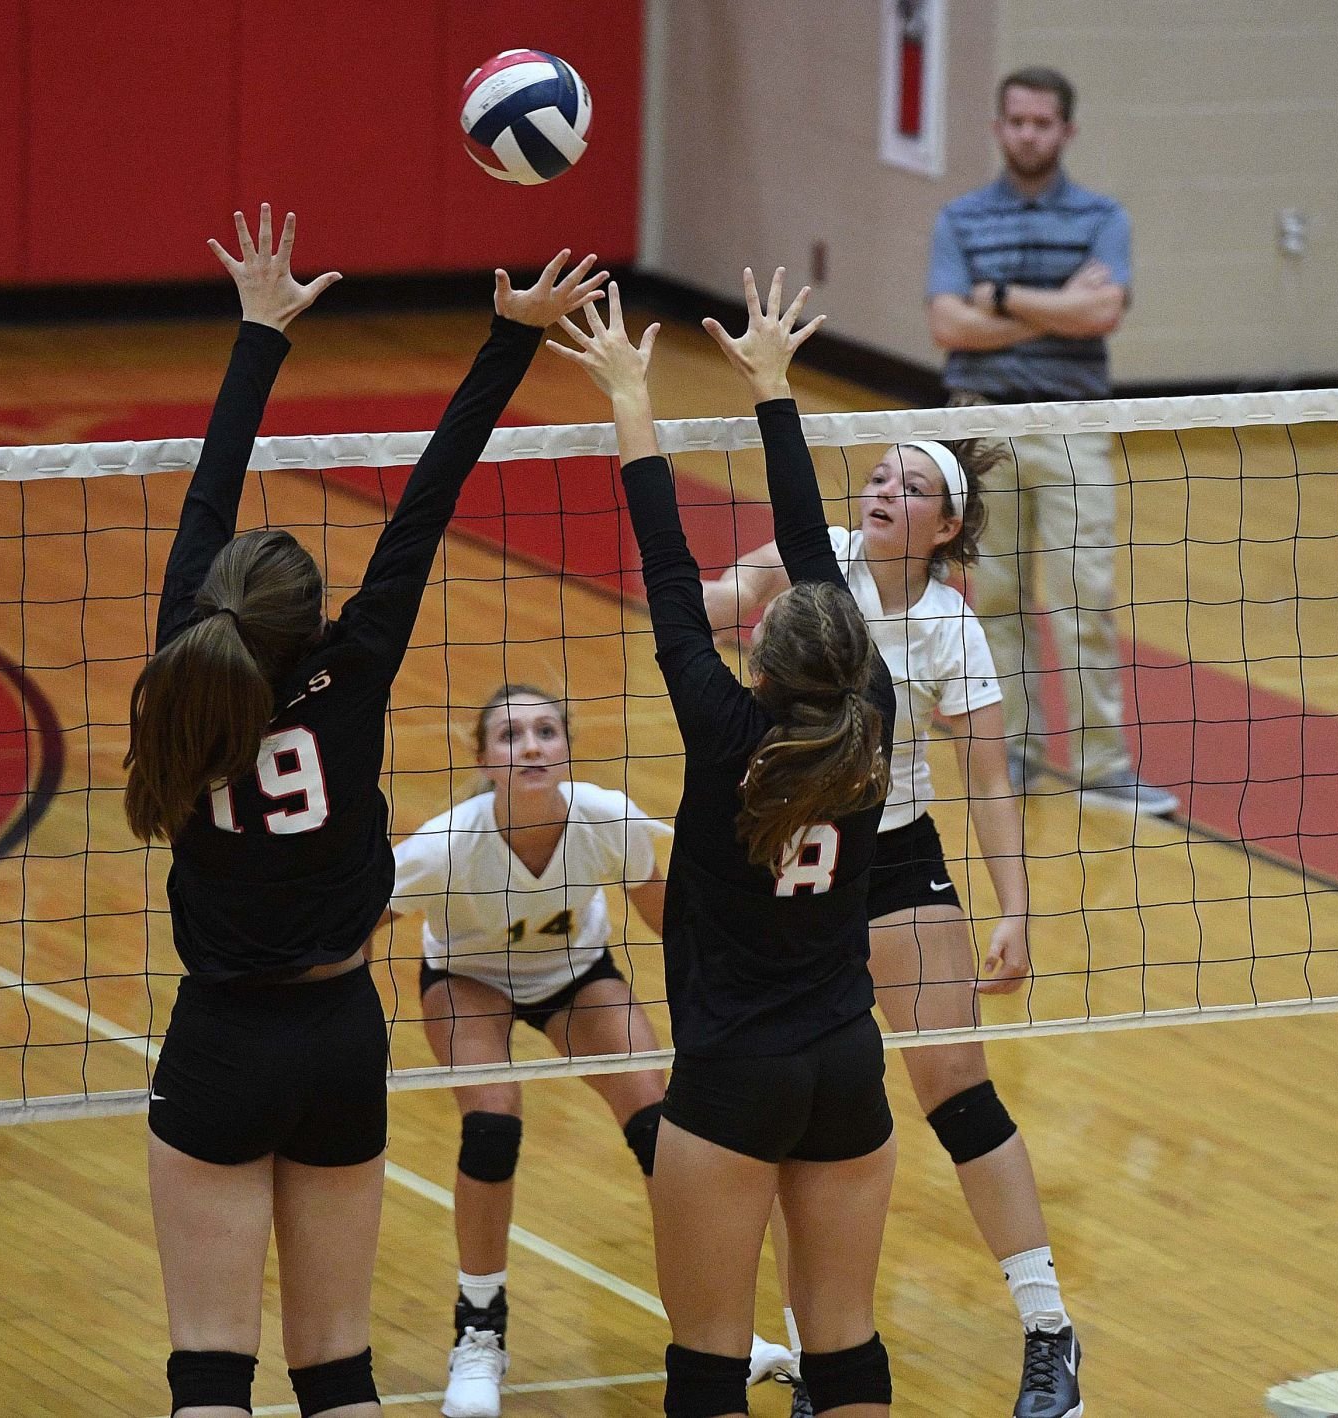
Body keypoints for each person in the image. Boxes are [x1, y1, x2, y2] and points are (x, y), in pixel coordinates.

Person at [123, 206, 604, 1418]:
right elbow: (427, 504)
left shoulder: (182, 668)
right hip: (342, 1038)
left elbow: (204, 497)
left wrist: (257, 331)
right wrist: (508, 339)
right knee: (339, 1373)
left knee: (207, 1376)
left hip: (220, 1041)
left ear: (214, 610)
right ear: (314, 618)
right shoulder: (355, 671)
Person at [551, 270, 899, 1418]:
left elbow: (664, 561)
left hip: (736, 1072)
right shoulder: (873, 714)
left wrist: (629, 395)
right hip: (847, 1057)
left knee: (707, 1359)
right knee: (844, 1343)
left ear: (758, 657)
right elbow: (811, 549)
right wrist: (771, 383)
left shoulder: (723, 728)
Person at [704, 436, 1084, 1418]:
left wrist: (1016, 909)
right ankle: (812, 1353)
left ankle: (1049, 1330)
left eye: (910, 486)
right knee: (801, 1102)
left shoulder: (954, 627)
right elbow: (705, 606)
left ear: (946, 528)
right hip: (793, 853)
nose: (883, 491)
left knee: (956, 1088)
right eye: (877, 476)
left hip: (897, 853)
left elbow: (991, 777)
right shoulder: (807, 558)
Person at [382, 682, 671, 1418]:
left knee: (664, 1131)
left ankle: (713, 1326)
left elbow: (677, 925)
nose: (532, 745)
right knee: (492, 1123)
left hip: (575, 976)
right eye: (511, 736)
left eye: (546, 731)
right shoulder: (445, 846)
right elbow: (357, 924)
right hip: (468, 979)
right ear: (484, 759)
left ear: (566, 747)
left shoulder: (609, 819)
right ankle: (478, 1331)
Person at [927, 64, 1178, 818]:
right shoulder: (959, 219)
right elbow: (946, 327)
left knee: (1082, 600)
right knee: (995, 597)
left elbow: (1101, 315)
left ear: (1066, 131)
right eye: (1016, 121)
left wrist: (999, 300)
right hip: (983, 427)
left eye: (1042, 123)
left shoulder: (1103, 217)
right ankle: (1018, 753)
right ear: (998, 126)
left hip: (1071, 426)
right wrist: (1058, 307)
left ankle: (1105, 768)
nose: (1027, 134)